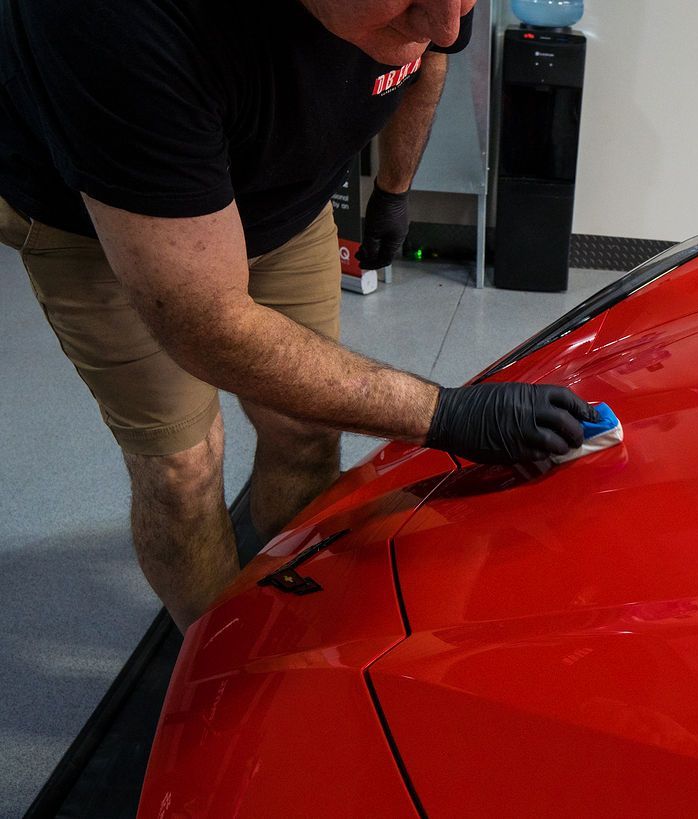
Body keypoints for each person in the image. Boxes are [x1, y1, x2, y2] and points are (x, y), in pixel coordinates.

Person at [0, 0, 595, 632]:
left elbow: (433, 62)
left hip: (283, 191)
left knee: (308, 427)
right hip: (106, 225)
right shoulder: (109, 20)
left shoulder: (432, 10)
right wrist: (442, 415)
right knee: (183, 466)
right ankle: (215, 660)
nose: (445, 23)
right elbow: (207, 323)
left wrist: (394, 191)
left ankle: (301, 605)